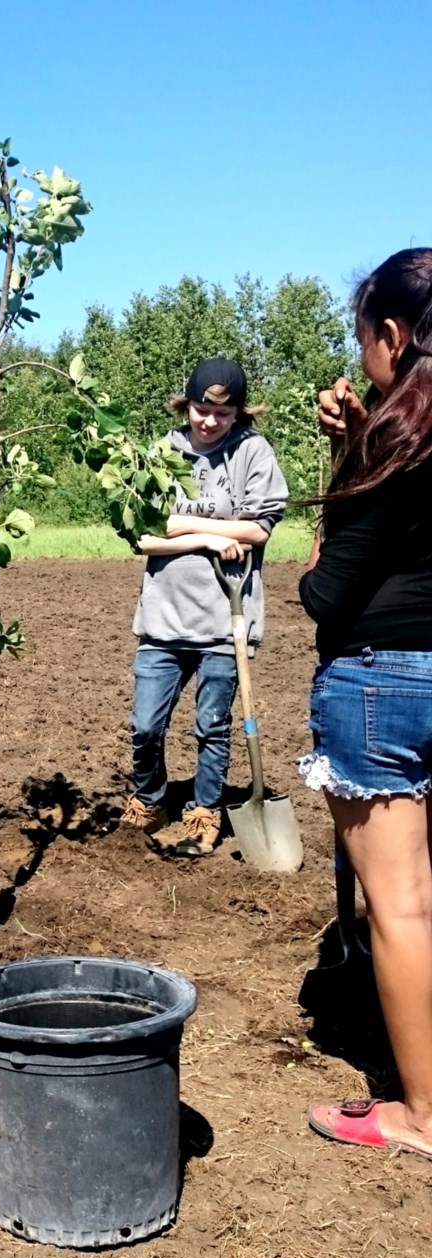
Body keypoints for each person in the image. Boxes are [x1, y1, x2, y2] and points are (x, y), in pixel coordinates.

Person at [299, 247, 432, 1160]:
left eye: (366, 340)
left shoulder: (405, 440)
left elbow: (326, 592)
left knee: (402, 907)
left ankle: (419, 1113)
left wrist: (352, 454)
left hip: (383, 683)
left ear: (391, 335)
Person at [121, 358, 289, 856]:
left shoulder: (253, 452)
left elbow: (260, 528)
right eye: (201, 409)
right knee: (146, 725)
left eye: (223, 412)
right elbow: (144, 537)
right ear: (186, 404)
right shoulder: (161, 454)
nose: (210, 421)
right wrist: (213, 539)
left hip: (226, 619)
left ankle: (204, 811)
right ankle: (150, 800)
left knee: (211, 725)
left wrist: (184, 528)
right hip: (164, 617)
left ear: (238, 412)